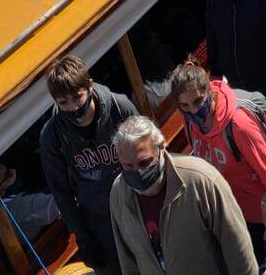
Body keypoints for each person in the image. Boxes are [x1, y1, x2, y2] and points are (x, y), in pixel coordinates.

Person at [110, 115, 258, 275]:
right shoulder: (119, 193)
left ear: (161, 148)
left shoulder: (200, 179)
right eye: (128, 166)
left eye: (144, 163)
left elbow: (237, 246)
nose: (137, 173)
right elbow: (127, 259)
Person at [172, 62, 266, 259]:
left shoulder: (238, 126)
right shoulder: (190, 124)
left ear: (209, 91)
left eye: (198, 101)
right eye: (185, 106)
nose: (194, 111)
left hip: (260, 219)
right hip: (229, 214)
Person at [40, 54, 138, 275]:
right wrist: (83, 238)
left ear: (90, 86)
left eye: (77, 97)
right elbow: (61, 192)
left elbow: (150, 151)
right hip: (99, 223)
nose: (73, 108)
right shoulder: (52, 136)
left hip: (137, 205)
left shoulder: (119, 108)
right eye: (63, 102)